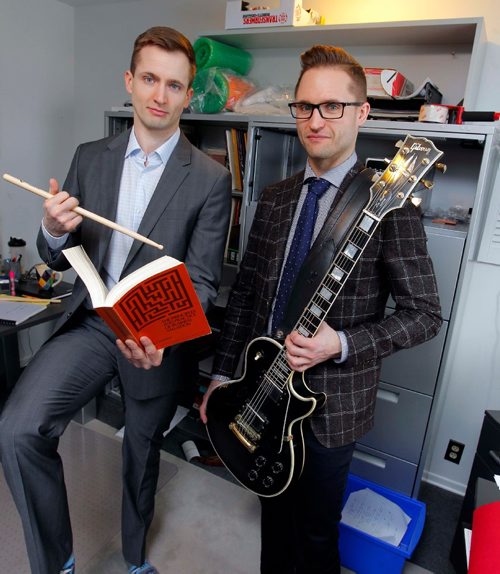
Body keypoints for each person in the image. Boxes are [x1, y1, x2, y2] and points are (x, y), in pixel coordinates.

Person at [200, 44, 442, 574]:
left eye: (332, 106)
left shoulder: (389, 205)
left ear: (362, 113)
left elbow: (425, 314)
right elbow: (245, 295)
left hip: (331, 408)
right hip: (259, 388)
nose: (315, 120)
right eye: (305, 106)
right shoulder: (278, 195)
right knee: (272, 518)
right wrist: (223, 374)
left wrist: (343, 342)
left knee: (315, 534)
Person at [0, 26, 231, 574]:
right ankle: (57, 563)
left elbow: (201, 281)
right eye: (149, 78)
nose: (159, 95)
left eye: (174, 85)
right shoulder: (90, 156)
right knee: (18, 427)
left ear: (187, 95)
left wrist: (162, 335)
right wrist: (53, 231)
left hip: (154, 336)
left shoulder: (209, 179)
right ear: (130, 81)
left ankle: (133, 558)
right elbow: (58, 256)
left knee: (140, 455)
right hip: (91, 324)